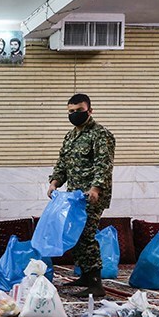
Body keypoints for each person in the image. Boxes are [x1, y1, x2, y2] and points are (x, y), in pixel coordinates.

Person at [47, 93, 116, 298]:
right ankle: (86, 275)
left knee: (86, 235)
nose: (75, 114)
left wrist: (95, 189)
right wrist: (54, 183)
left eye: (79, 110)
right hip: (74, 196)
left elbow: (104, 165)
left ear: (90, 110)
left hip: (92, 195)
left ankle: (96, 283)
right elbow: (62, 164)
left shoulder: (101, 134)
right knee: (75, 234)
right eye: (71, 111)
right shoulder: (70, 137)